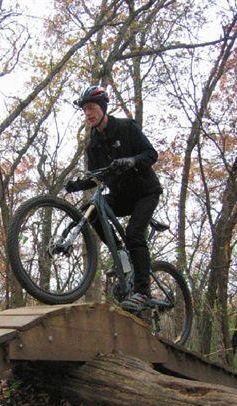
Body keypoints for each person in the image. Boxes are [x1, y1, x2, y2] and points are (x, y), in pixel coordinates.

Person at [65, 85, 163, 312]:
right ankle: (119, 253)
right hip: (121, 196)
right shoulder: (93, 145)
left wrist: (132, 160)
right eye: (85, 110)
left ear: (103, 107)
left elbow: (151, 154)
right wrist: (76, 185)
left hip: (145, 193)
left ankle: (143, 292)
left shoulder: (126, 127)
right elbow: (94, 178)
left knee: (134, 234)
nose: (88, 113)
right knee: (91, 208)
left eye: (91, 108)